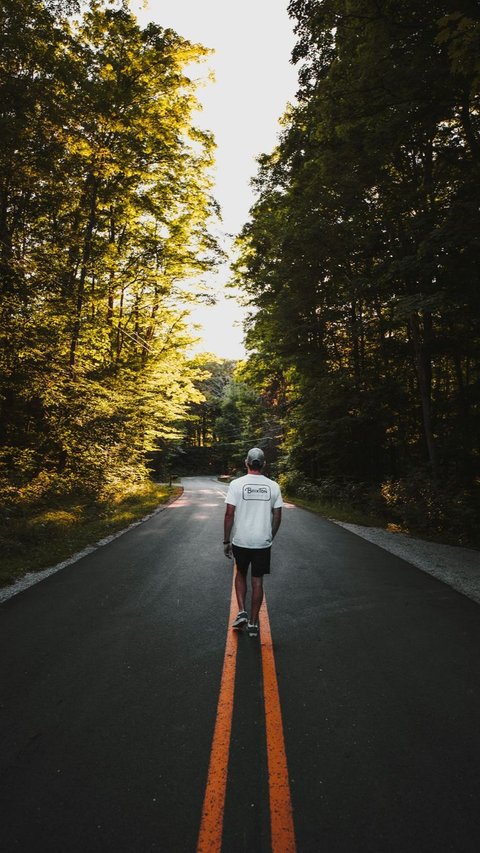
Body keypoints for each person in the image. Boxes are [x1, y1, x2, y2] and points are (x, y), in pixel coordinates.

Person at [223, 447, 283, 637]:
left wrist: (226, 540)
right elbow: (278, 515)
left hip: (241, 540)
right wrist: (269, 536)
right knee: (257, 581)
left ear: (246, 463)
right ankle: (253, 624)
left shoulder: (236, 484)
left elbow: (229, 514)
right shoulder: (273, 486)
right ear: (264, 464)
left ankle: (241, 611)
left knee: (240, 573)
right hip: (262, 542)